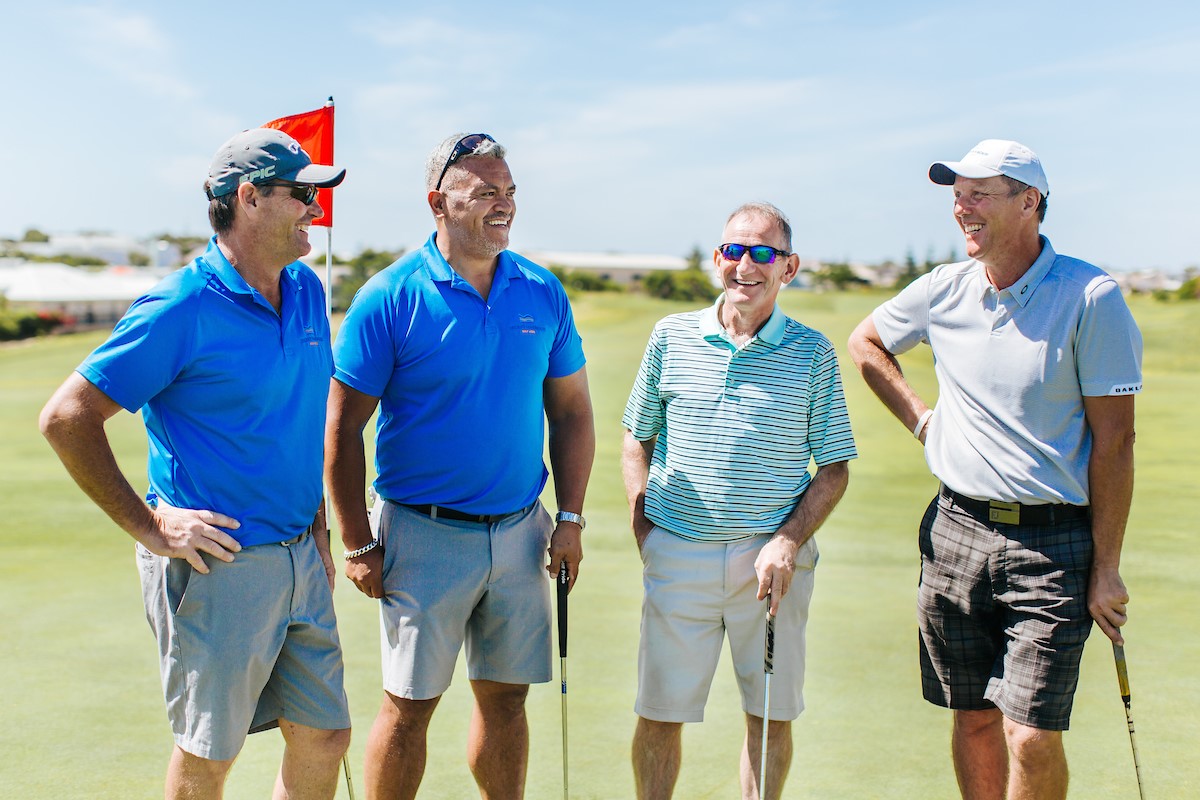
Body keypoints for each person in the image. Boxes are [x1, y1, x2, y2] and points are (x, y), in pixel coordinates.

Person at [39, 128, 352, 799]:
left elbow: (296, 423)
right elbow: (67, 417)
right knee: (211, 753)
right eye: (301, 195)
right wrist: (152, 529)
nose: (314, 210)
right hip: (219, 564)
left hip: (301, 554)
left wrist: (319, 530)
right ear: (248, 199)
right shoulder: (182, 305)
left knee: (325, 733)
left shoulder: (306, 292)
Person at [847, 139, 1143, 799]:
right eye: (958, 194)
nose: (963, 207)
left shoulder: (1090, 297)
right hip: (953, 531)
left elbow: (1116, 442)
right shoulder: (943, 289)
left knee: (1031, 735)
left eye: (980, 193)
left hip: (1054, 544)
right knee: (973, 718)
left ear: (1029, 201)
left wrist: (1106, 566)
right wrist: (924, 421)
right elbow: (865, 341)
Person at [325, 131, 595, 800]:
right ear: (437, 204)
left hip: (520, 532)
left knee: (506, 704)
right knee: (409, 707)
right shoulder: (390, 296)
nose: (503, 206)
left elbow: (573, 413)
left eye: (509, 193)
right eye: (484, 195)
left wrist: (570, 517)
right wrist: (358, 542)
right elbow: (341, 429)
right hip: (422, 535)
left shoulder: (541, 291)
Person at [622, 202, 857, 800]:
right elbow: (637, 436)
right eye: (732, 250)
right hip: (678, 554)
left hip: (772, 564)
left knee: (769, 714)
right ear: (716, 259)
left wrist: (786, 542)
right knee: (658, 712)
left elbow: (833, 470)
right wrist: (646, 531)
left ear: (789, 267)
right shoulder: (670, 336)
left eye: (762, 253)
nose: (744, 265)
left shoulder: (812, 353)